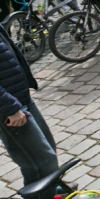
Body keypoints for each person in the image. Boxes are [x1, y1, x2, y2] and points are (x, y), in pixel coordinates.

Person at [0, 20, 59, 199]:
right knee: (41, 161)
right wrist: (9, 107)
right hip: (8, 107)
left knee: (47, 152)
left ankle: (51, 189)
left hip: (19, 96)